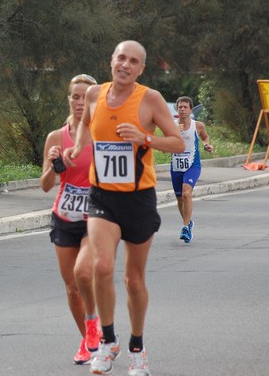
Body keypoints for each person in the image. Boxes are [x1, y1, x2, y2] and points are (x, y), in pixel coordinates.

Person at [63, 41, 185, 376]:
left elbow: (176, 141)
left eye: (134, 61)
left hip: (139, 198)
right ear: (111, 60)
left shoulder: (150, 99)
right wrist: (77, 147)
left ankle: (137, 346)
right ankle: (107, 340)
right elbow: (87, 124)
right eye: (121, 58)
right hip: (102, 196)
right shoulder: (94, 95)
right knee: (102, 266)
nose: (126, 65)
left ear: (141, 68)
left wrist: (144, 138)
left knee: (133, 280)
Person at [40, 74, 101, 365]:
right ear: (69, 99)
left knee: (83, 273)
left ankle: (94, 324)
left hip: (96, 216)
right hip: (64, 214)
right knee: (71, 288)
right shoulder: (56, 136)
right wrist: (53, 165)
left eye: (86, 97)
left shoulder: (103, 135)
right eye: (75, 97)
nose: (80, 102)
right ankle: (88, 340)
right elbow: (45, 184)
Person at [170, 96, 213, 243]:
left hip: (192, 165)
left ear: (190, 109)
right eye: (180, 107)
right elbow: (166, 143)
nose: (182, 109)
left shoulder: (198, 125)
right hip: (176, 165)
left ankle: (185, 227)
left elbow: (205, 137)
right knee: (180, 198)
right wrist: (174, 133)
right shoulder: (171, 125)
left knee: (187, 193)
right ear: (177, 109)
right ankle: (188, 222)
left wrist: (207, 145)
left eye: (185, 107)